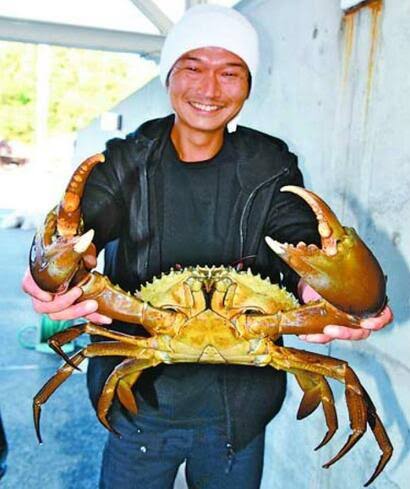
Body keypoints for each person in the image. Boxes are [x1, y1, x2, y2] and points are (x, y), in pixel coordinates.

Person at [22, 5, 393, 489]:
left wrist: (324, 293)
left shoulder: (271, 165)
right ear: (168, 75)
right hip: (141, 410)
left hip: (239, 416)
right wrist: (61, 273)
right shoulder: (125, 161)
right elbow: (84, 231)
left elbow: (299, 239)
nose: (210, 88)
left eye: (230, 72)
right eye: (193, 67)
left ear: (249, 84)